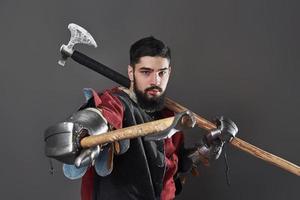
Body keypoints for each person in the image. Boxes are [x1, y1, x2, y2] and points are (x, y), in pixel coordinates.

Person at [45, 36, 238, 200]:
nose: (155, 81)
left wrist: (209, 142)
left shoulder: (170, 117)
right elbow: (105, 112)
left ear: (169, 72)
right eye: (146, 72)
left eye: (162, 73)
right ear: (131, 72)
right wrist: (88, 129)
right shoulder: (118, 102)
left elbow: (175, 166)